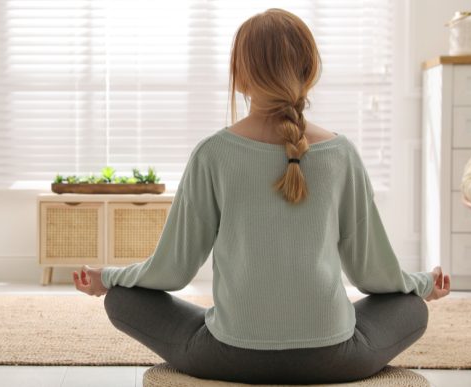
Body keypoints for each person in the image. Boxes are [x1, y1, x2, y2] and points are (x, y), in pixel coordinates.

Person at [72, 8, 451, 385]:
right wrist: (423, 284)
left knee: (122, 299)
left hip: (229, 357)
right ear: (310, 71)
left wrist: (109, 277)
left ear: (239, 76)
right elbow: (373, 274)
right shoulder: (341, 153)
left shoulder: (213, 154)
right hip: (334, 359)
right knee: (410, 308)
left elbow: (172, 269)